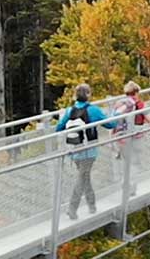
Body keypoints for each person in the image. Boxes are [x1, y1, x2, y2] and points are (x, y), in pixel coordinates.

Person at [55, 83, 115, 220]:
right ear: (88, 95)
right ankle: (72, 208)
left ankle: (92, 205)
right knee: (82, 178)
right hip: (89, 151)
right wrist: (115, 116)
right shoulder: (93, 110)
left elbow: (59, 128)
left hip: (75, 150)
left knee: (85, 177)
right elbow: (110, 124)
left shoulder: (70, 111)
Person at [111, 81, 150, 158]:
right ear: (136, 92)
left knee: (127, 162)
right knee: (138, 159)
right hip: (137, 136)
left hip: (122, 137)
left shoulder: (120, 104)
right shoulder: (141, 105)